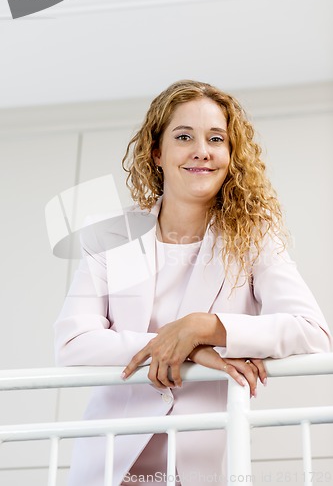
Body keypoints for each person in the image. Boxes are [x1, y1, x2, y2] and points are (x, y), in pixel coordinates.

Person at [54, 80, 332, 486]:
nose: (202, 150)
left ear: (231, 156)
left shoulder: (255, 238)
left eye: (216, 138)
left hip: (200, 463)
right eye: (184, 136)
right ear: (157, 153)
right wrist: (187, 350)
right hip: (109, 461)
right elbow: (72, 343)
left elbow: (313, 332)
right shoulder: (112, 236)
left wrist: (205, 327)